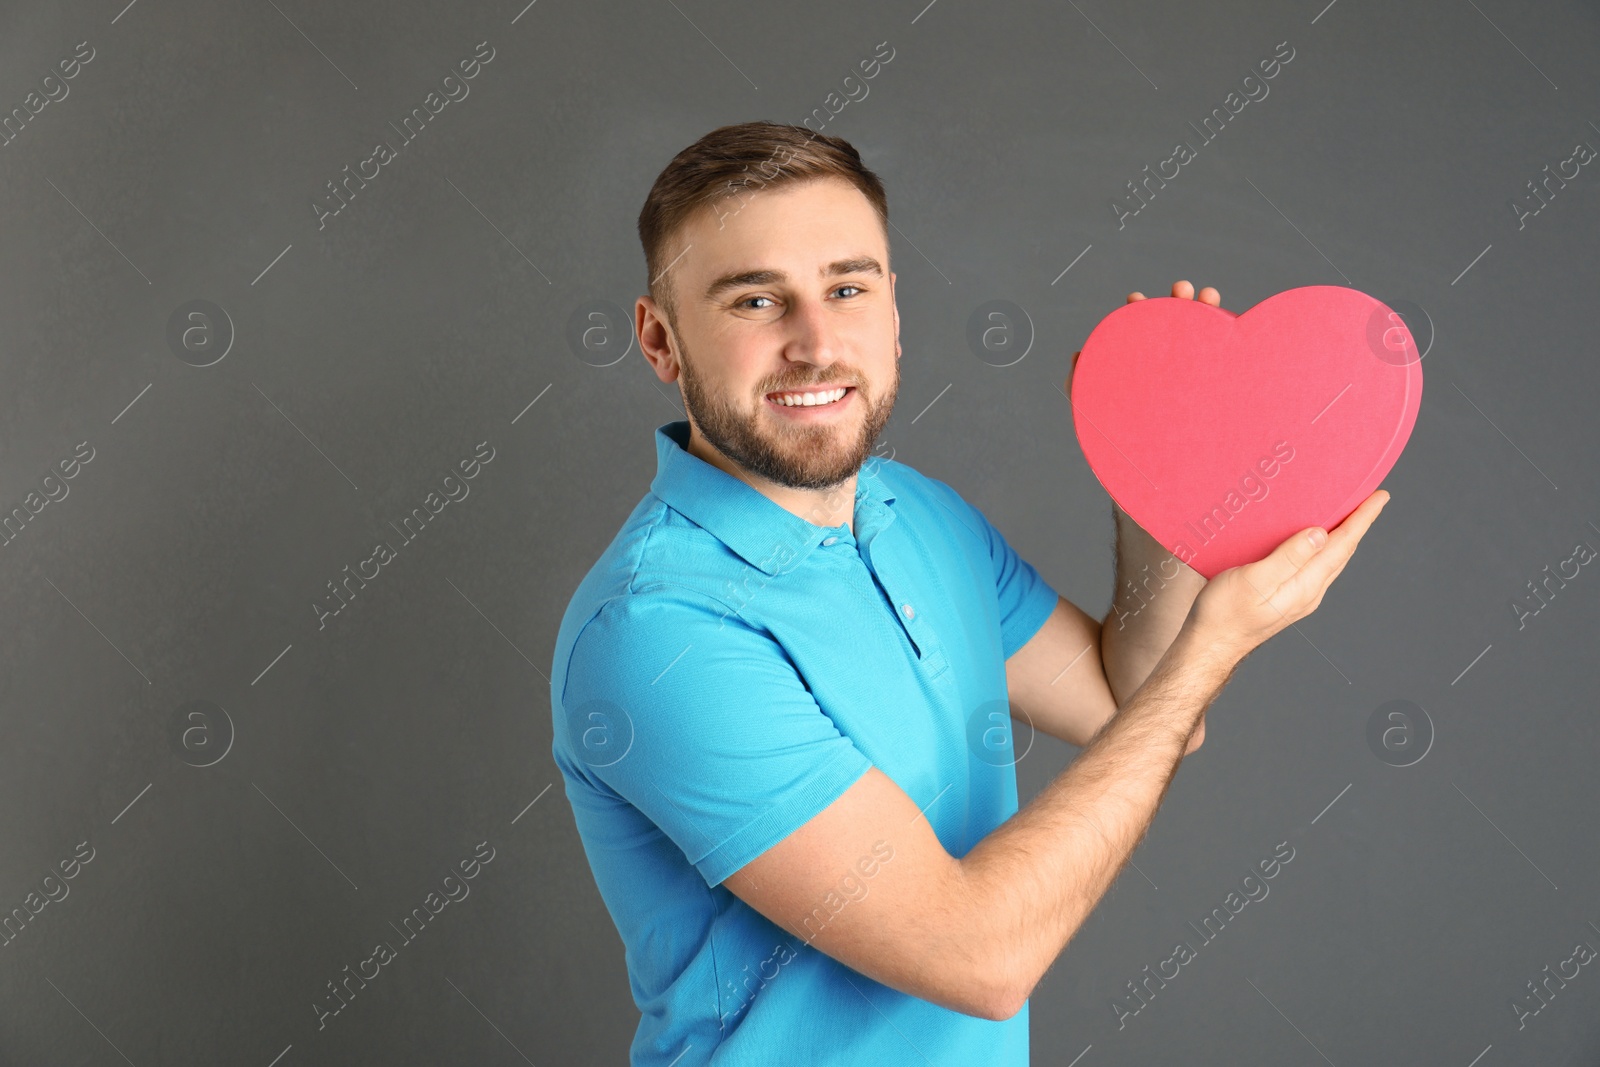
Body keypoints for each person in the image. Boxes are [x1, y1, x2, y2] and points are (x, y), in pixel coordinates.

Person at [549, 120, 1390, 1065]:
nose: (815, 342)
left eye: (847, 286)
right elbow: (982, 957)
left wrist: (1158, 488)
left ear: (894, 307)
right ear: (661, 341)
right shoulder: (657, 631)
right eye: (755, 300)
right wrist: (1217, 645)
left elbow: (1132, 702)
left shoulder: (919, 514)